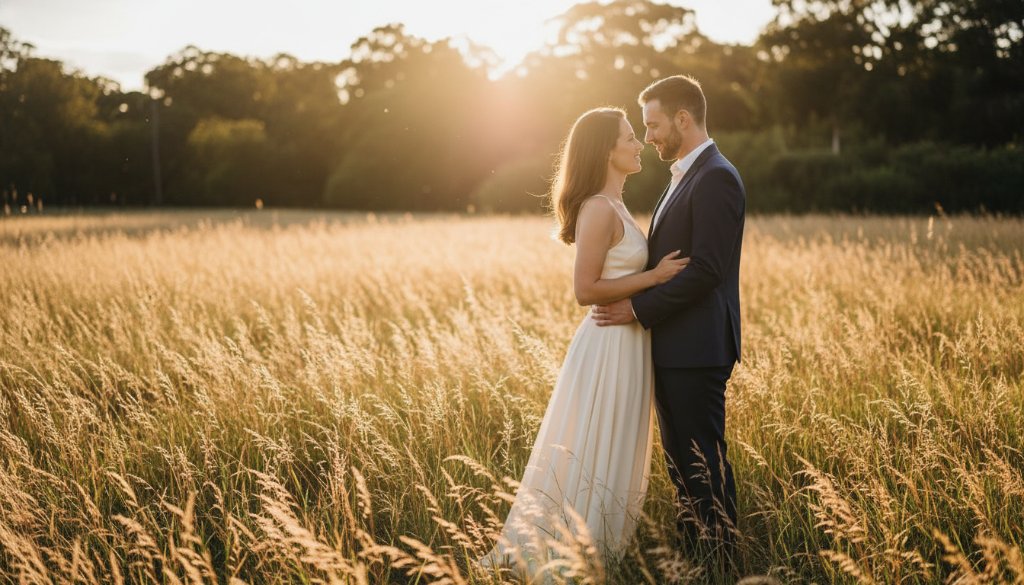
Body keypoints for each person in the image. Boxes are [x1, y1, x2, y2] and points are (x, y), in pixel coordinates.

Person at [478, 107, 688, 578]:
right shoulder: (597, 207)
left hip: (629, 342)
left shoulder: (615, 207)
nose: (638, 145)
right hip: (607, 344)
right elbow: (585, 290)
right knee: (595, 442)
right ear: (606, 150)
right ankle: (575, 552)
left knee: (616, 443)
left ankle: (599, 551)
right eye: (629, 138)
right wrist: (654, 277)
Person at [592, 75, 746, 557]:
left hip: (699, 348)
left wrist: (637, 308)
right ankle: (696, 557)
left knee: (703, 462)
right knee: (683, 465)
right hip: (676, 346)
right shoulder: (683, 174)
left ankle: (721, 561)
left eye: (654, 125)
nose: (650, 136)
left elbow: (706, 270)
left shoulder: (716, 175)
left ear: (683, 119)